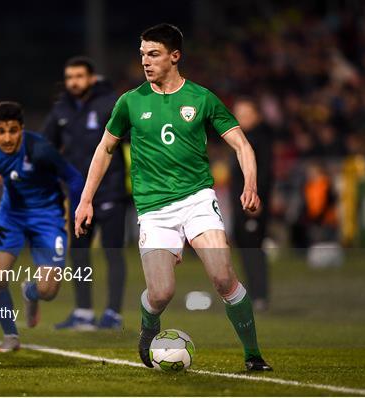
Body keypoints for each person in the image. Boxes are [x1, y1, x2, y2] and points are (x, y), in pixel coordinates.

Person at [74, 23, 272, 371]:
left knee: (224, 277)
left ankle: (253, 356)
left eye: (153, 54)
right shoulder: (130, 103)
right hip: (153, 209)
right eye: (142, 55)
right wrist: (85, 199)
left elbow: (241, 143)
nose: (145, 62)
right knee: (161, 293)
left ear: (174, 56)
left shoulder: (201, 98)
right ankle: (149, 324)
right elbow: (104, 149)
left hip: (197, 199)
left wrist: (250, 184)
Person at [0, 101, 83, 352]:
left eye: (13, 130)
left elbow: (74, 178)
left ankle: (31, 291)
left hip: (48, 217)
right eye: (0, 131)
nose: (7, 138)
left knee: (48, 290)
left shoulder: (40, 149)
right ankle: (10, 336)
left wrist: (75, 215)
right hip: (12, 216)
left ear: (22, 129)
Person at [42, 56, 127, 330]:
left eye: (79, 76)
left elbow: (132, 139)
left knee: (113, 253)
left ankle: (113, 313)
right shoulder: (61, 110)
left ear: (91, 78)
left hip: (110, 191)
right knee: (79, 253)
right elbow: (46, 146)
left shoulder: (110, 103)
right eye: (69, 77)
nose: (73, 82)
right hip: (78, 195)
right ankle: (84, 313)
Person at [231, 98, 274, 311]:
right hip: (242, 205)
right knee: (245, 249)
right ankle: (253, 293)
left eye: (245, 114)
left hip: (252, 205)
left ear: (256, 116)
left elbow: (265, 174)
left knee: (253, 249)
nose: (240, 118)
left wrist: (257, 199)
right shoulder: (243, 139)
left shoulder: (259, 140)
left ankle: (259, 295)